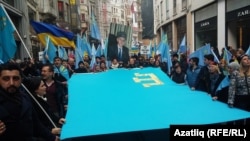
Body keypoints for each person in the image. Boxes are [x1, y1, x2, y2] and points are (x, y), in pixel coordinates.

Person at [0, 63, 59, 141]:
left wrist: (52, 137)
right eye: (6, 78)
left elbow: (36, 123)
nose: (11, 83)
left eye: (15, 78)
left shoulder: (25, 97)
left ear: (21, 79)